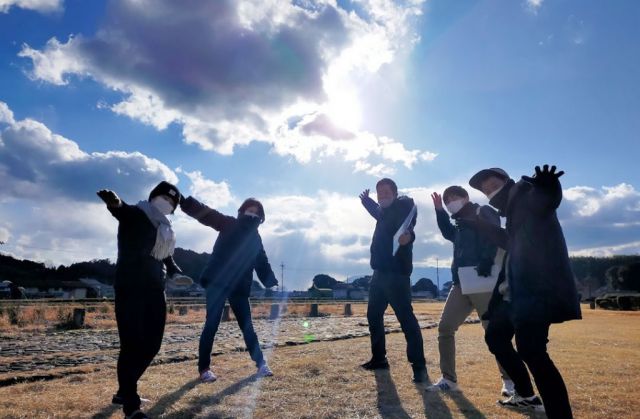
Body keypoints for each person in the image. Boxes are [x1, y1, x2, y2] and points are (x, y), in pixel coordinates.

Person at [467, 165, 581, 417]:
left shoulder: (523, 192)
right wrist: (481, 226)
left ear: (506, 180)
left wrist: (549, 185)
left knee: (533, 353)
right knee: (496, 337)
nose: (489, 190)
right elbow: (510, 242)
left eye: (493, 184)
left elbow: (546, 201)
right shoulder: (514, 215)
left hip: (535, 292)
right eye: (485, 190)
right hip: (515, 294)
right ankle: (526, 395)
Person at [98, 181, 184, 419]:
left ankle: (124, 390)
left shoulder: (164, 228)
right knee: (132, 344)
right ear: (154, 196)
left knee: (152, 345)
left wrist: (177, 273)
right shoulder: (137, 214)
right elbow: (122, 211)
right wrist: (115, 204)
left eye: (172, 202)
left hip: (156, 289)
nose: (167, 204)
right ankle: (131, 406)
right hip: (130, 287)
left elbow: (167, 258)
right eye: (164, 198)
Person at [180, 195, 278, 382]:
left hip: (239, 287)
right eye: (250, 209)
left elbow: (261, 261)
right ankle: (204, 369)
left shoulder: (256, 238)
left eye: (256, 212)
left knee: (248, 327)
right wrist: (186, 203)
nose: (252, 214)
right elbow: (208, 214)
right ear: (241, 211)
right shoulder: (228, 223)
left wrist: (270, 280)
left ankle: (261, 364)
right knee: (211, 325)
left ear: (261, 217)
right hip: (218, 283)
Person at [427, 186, 513, 396]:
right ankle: (448, 379)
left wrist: (486, 260)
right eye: (447, 200)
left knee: (494, 332)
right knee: (445, 327)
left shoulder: (482, 211)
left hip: (483, 279)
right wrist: (439, 212)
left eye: (454, 197)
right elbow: (448, 233)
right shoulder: (458, 224)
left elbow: (495, 236)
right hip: (461, 282)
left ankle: (511, 381)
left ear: (466, 197)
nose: (451, 202)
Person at [359, 178, 427, 383]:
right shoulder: (384, 214)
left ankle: (419, 367)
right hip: (379, 274)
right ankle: (379, 359)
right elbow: (381, 213)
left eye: (387, 191)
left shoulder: (403, 204)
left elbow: (408, 225)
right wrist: (368, 202)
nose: (383, 195)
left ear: (396, 193)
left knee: (406, 320)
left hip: (397, 274)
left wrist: (410, 236)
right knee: (373, 316)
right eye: (380, 192)